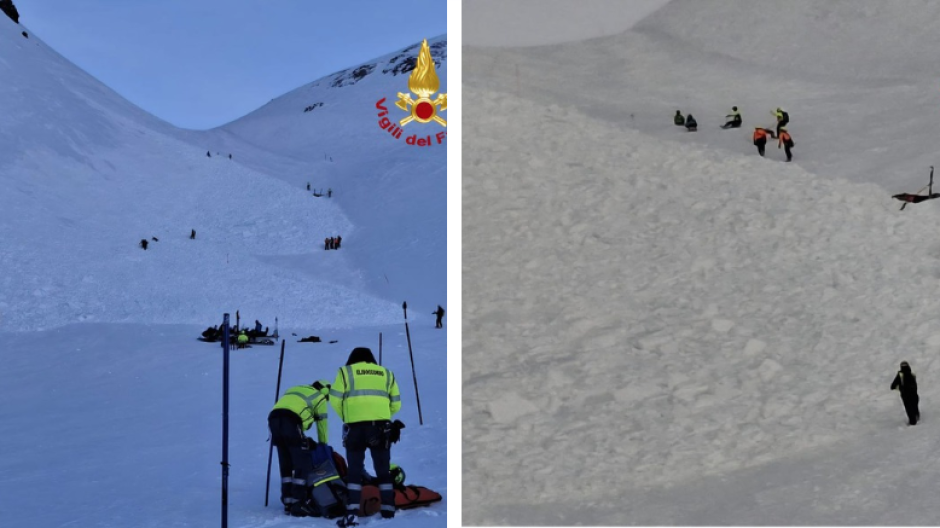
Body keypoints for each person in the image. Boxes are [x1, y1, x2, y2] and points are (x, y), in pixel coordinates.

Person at [331, 347, 402, 525]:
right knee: (383, 470)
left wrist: (348, 417)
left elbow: (334, 399)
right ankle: (388, 510)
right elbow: (396, 404)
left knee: (354, 470)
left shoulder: (345, 372)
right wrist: (382, 416)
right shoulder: (386, 373)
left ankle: (352, 511)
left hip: (354, 428)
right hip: (380, 428)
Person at [269, 380, 332, 516]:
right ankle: (299, 503)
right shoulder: (319, 397)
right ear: (325, 391)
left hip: (273, 419)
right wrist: (323, 446)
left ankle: (287, 501)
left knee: (285, 461)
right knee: (302, 463)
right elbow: (322, 425)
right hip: (291, 421)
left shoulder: (295, 388)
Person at [891, 361, 919, 426]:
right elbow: (915, 386)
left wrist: (900, 388)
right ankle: (917, 416)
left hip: (906, 395)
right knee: (914, 406)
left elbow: (892, 386)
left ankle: (913, 422)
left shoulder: (900, 375)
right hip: (914, 394)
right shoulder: (912, 374)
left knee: (909, 408)